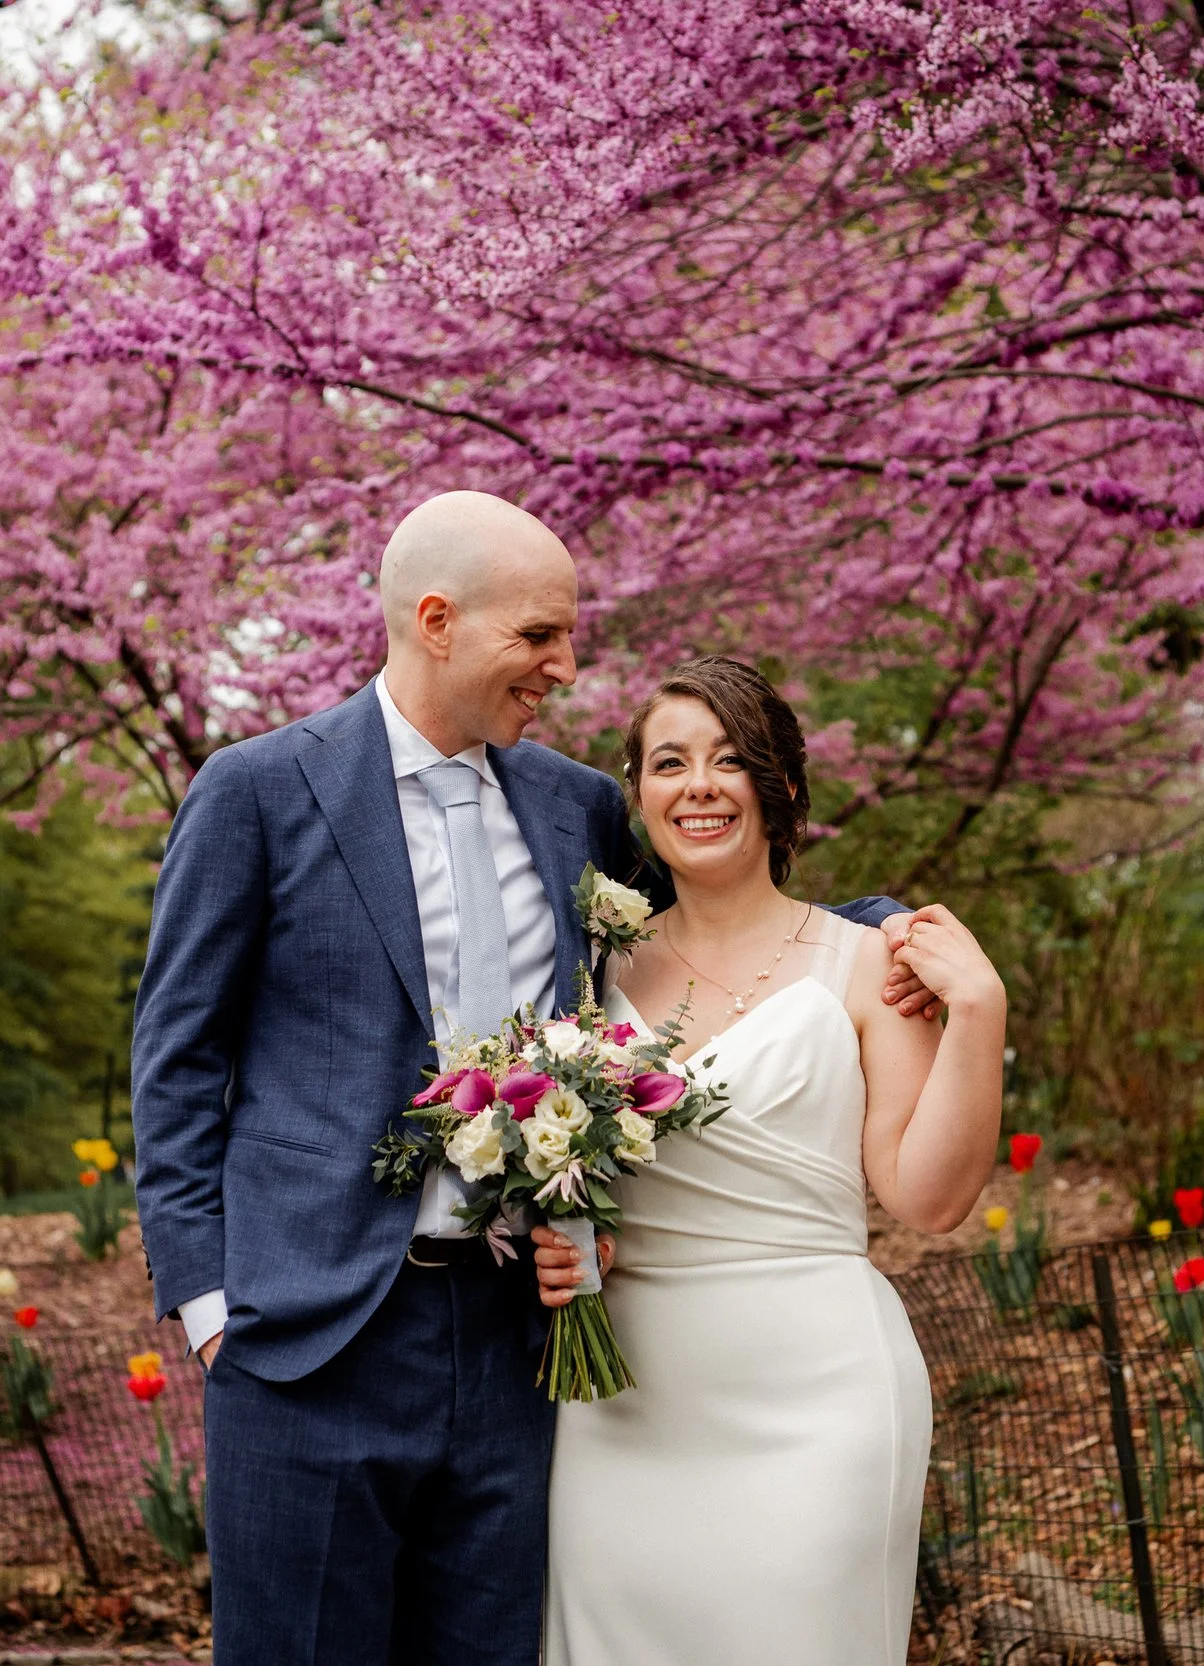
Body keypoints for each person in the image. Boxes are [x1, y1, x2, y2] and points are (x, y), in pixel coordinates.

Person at [130, 492, 935, 1666]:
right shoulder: (256, 791)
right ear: (439, 620)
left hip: (518, 1343)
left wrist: (881, 929)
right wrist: (212, 1311)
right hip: (303, 1341)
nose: (565, 664)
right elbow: (175, 1060)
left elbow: (717, 930)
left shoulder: (576, 809)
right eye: (541, 635)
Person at [546, 655, 1007, 1666]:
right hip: (621, 1408)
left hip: (818, 1401)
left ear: (783, 786)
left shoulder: (865, 962)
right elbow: (566, 1178)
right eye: (668, 762)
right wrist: (570, 1237)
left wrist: (978, 1009)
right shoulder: (583, 973)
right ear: (638, 793)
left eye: (730, 760)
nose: (698, 785)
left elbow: (927, 1197)